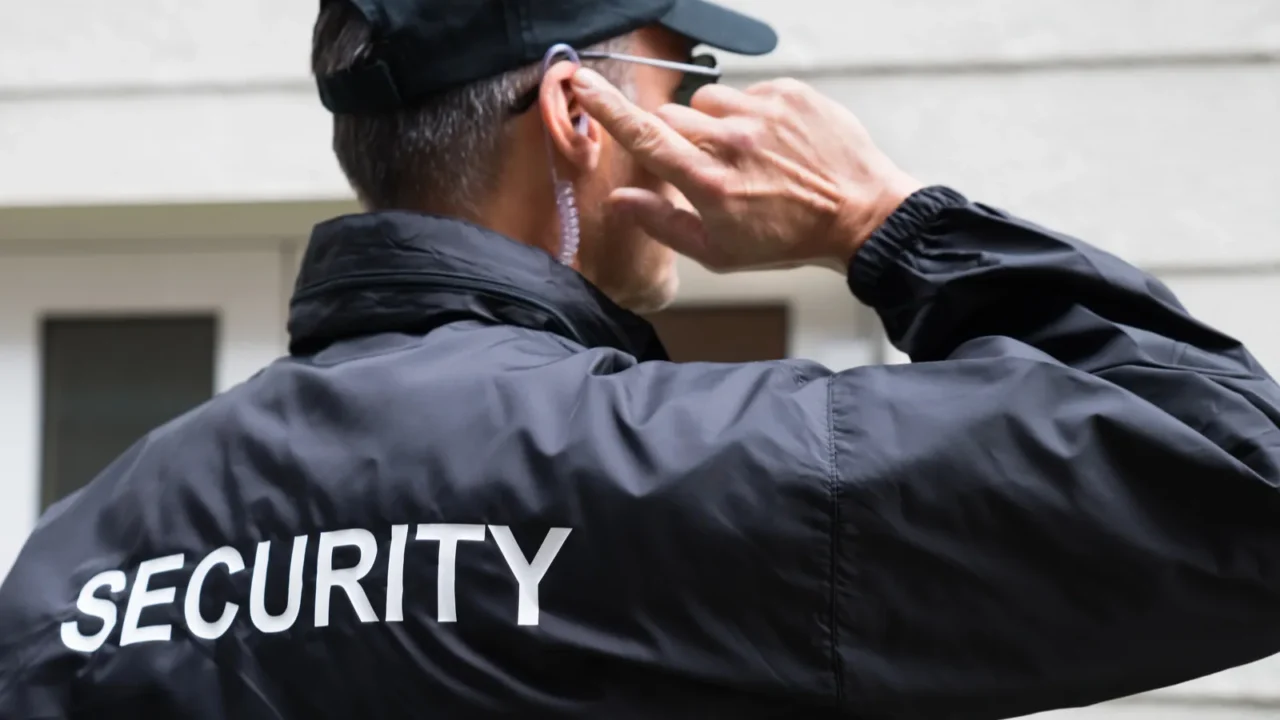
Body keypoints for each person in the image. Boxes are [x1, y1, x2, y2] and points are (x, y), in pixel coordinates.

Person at [2, 0, 1279, 717]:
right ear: (576, 115)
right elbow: (1239, 475)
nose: (711, 113)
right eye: (689, 78)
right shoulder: (698, 470)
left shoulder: (83, 552)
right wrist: (879, 220)